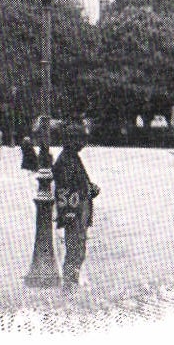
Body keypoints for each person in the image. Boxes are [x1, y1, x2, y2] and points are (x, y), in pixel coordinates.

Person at [52, 124, 100, 290]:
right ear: (71, 140)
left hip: (79, 211)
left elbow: (77, 184)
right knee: (75, 250)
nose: (83, 143)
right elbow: (64, 189)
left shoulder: (71, 157)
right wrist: (69, 213)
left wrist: (90, 188)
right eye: (80, 139)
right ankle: (69, 284)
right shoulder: (66, 160)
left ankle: (72, 281)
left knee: (78, 249)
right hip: (75, 213)